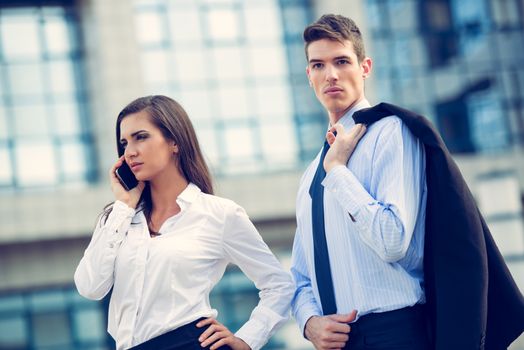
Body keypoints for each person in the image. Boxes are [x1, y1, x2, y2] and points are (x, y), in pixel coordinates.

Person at [291, 14, 524, 350]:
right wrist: (309, 322)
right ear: (309, 76)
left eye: (342, 61)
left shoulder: (391, 134)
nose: (331, 74)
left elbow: (393, 240)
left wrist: (339, 173)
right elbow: (300, 276)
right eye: (318, 65)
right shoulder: (311, 174)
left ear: (365, 67)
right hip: (338, 343)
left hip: (396, 334)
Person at [74, 95, 294, 350]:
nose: (129, 152)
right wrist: (124, 205)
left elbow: (279, 286)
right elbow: (90, 287)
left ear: (174, 141)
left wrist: (247, 339)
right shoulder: (119, 218)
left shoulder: (218, 214)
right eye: (124, 143)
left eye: (141, 137)